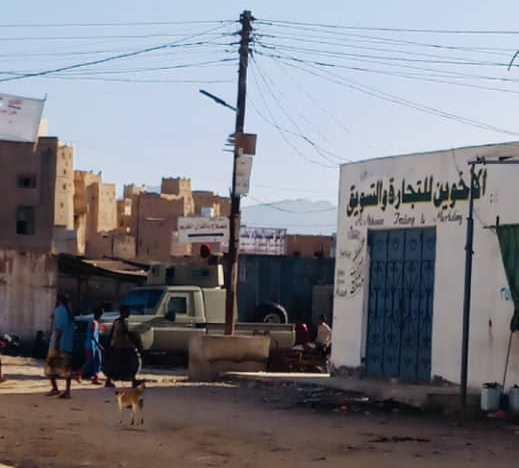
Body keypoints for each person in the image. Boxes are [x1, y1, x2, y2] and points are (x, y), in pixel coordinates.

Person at [44, 293, 75, 399]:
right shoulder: (70, 312)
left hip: (58, 343)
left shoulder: (59, 311)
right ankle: (67, 391)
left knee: (51, 366)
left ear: (58, 300)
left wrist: (56, 343)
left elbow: (59, 328)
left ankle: (55, 388)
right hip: (68, 344)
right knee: (66, 368)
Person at [104, 305, 141, 388]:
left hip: (117, 346)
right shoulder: (123, 322)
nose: (129, 313)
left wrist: (109, 345)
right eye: (127, 312)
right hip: (123, 347)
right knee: (131, 363)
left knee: (115, 364)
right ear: (123, 313)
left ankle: (109, 380)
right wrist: (136, 342)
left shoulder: (116, 321)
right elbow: (127, 333)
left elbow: (111, 334)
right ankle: (133, 380)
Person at [82, 306, 104, 385]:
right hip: (91, 345)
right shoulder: (93, 323)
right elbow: (92, 336)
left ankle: (95, 377)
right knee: (89, 361)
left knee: (97, 361)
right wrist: (99, 345)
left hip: (94, 345)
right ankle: (78, 373)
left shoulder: (96, 323)